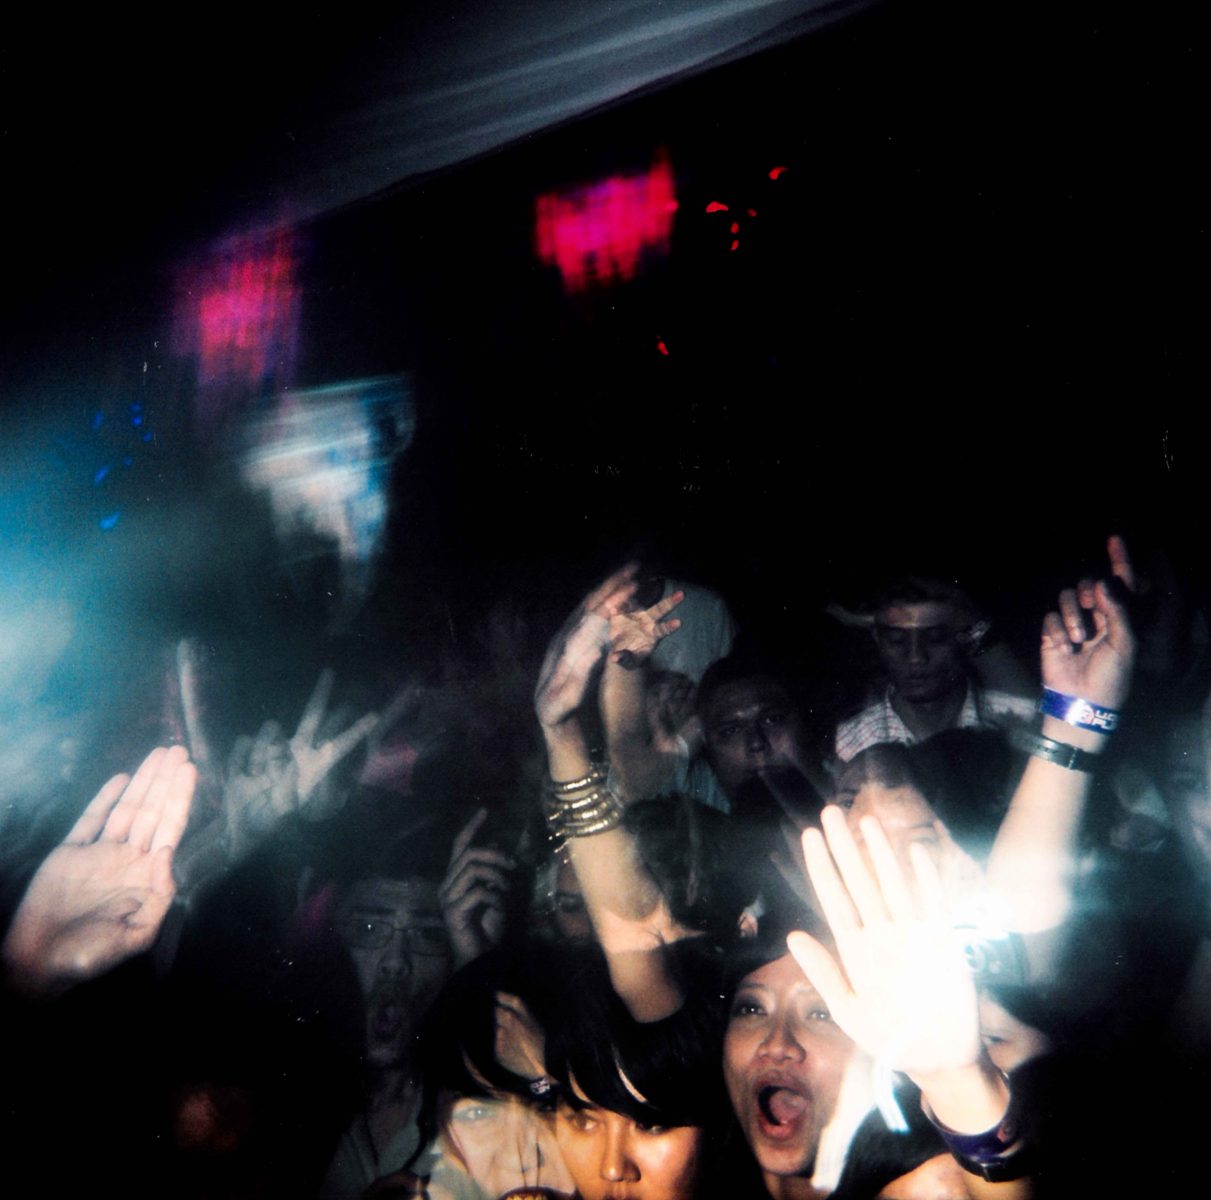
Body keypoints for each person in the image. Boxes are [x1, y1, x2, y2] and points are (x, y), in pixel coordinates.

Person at [834, 580, 1033, 763]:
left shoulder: (1014, 713)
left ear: (964, 638)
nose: (916, 657)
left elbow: (1059, 716)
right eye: (896, 640)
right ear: (878, 639)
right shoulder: (851, 741)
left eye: (935, 638)